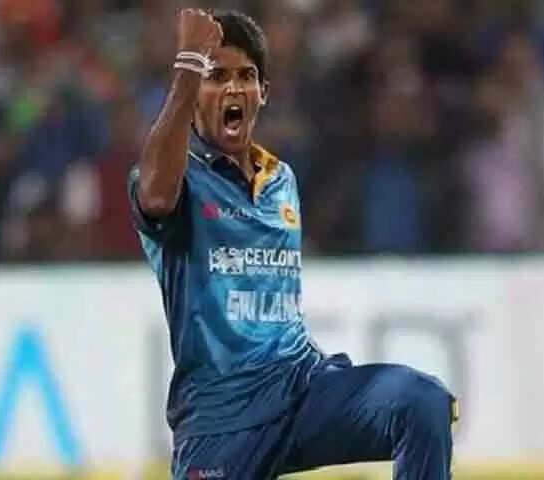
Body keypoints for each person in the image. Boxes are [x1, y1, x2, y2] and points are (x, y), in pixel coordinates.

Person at [128, 8, 457, 479]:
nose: (233, 88)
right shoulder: (178, 180)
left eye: (246, 76)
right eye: (216, 77)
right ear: (196, 89)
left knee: (422, 402)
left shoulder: (281, 180)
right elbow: (157, 195)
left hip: (301, 389)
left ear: (263, 92)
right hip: (223, 421)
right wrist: (187, 66)